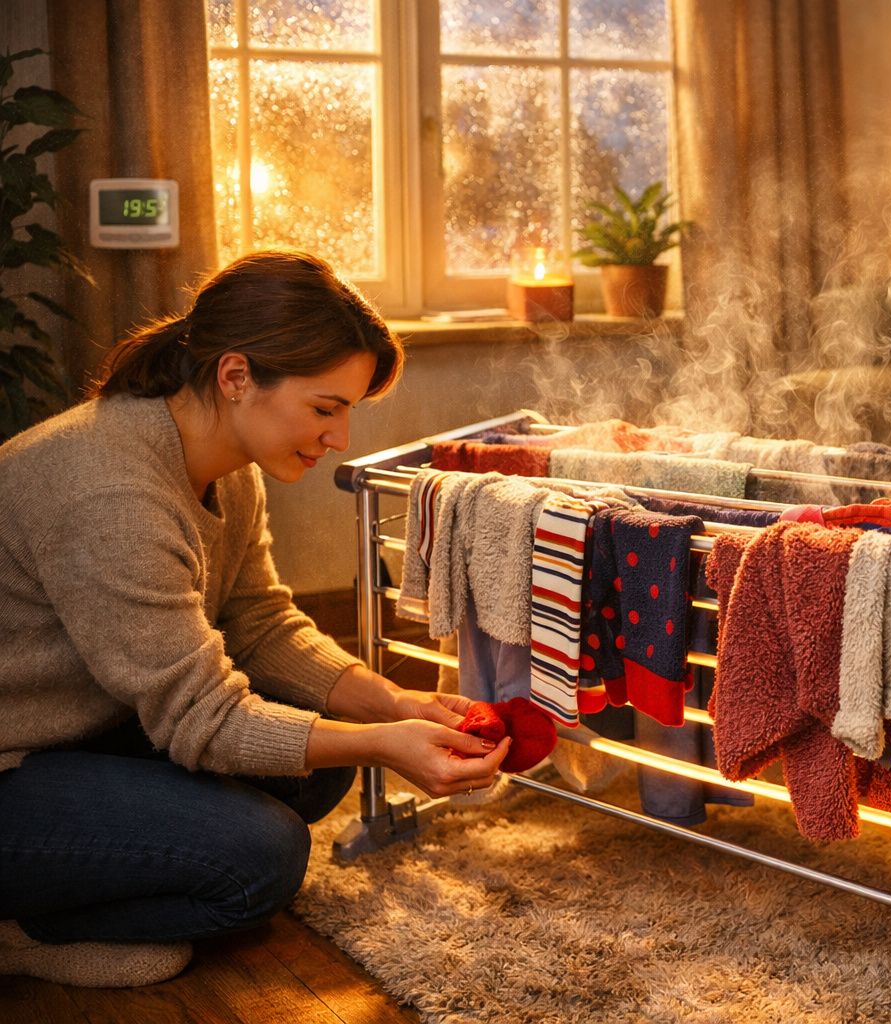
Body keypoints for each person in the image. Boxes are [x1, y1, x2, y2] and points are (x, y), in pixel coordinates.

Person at [0, 249, 511, 988]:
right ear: (236, 376)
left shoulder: (221, 468)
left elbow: (261, 624)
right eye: (325, 408)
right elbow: (200, 717)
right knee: (258, 860)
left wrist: (391, 705)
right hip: (11, 764)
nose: (339, 438)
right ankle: (23, 928)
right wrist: (382, 743)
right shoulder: (110, 493)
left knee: (314, 755)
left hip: (83, 731)